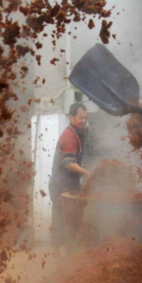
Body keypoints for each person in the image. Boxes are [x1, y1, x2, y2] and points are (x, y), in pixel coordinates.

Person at [48, 103, 90, 254]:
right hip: (61, 185)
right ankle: (58, 257)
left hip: (68, 184)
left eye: (86, 117)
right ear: (71, 117)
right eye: (80, 118)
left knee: (67, 219)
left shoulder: (77, 133)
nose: (84, 120)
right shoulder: (70, 136)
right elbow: (68, 163)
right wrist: (87, 174)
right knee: (61, 220)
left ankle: (66, 254)